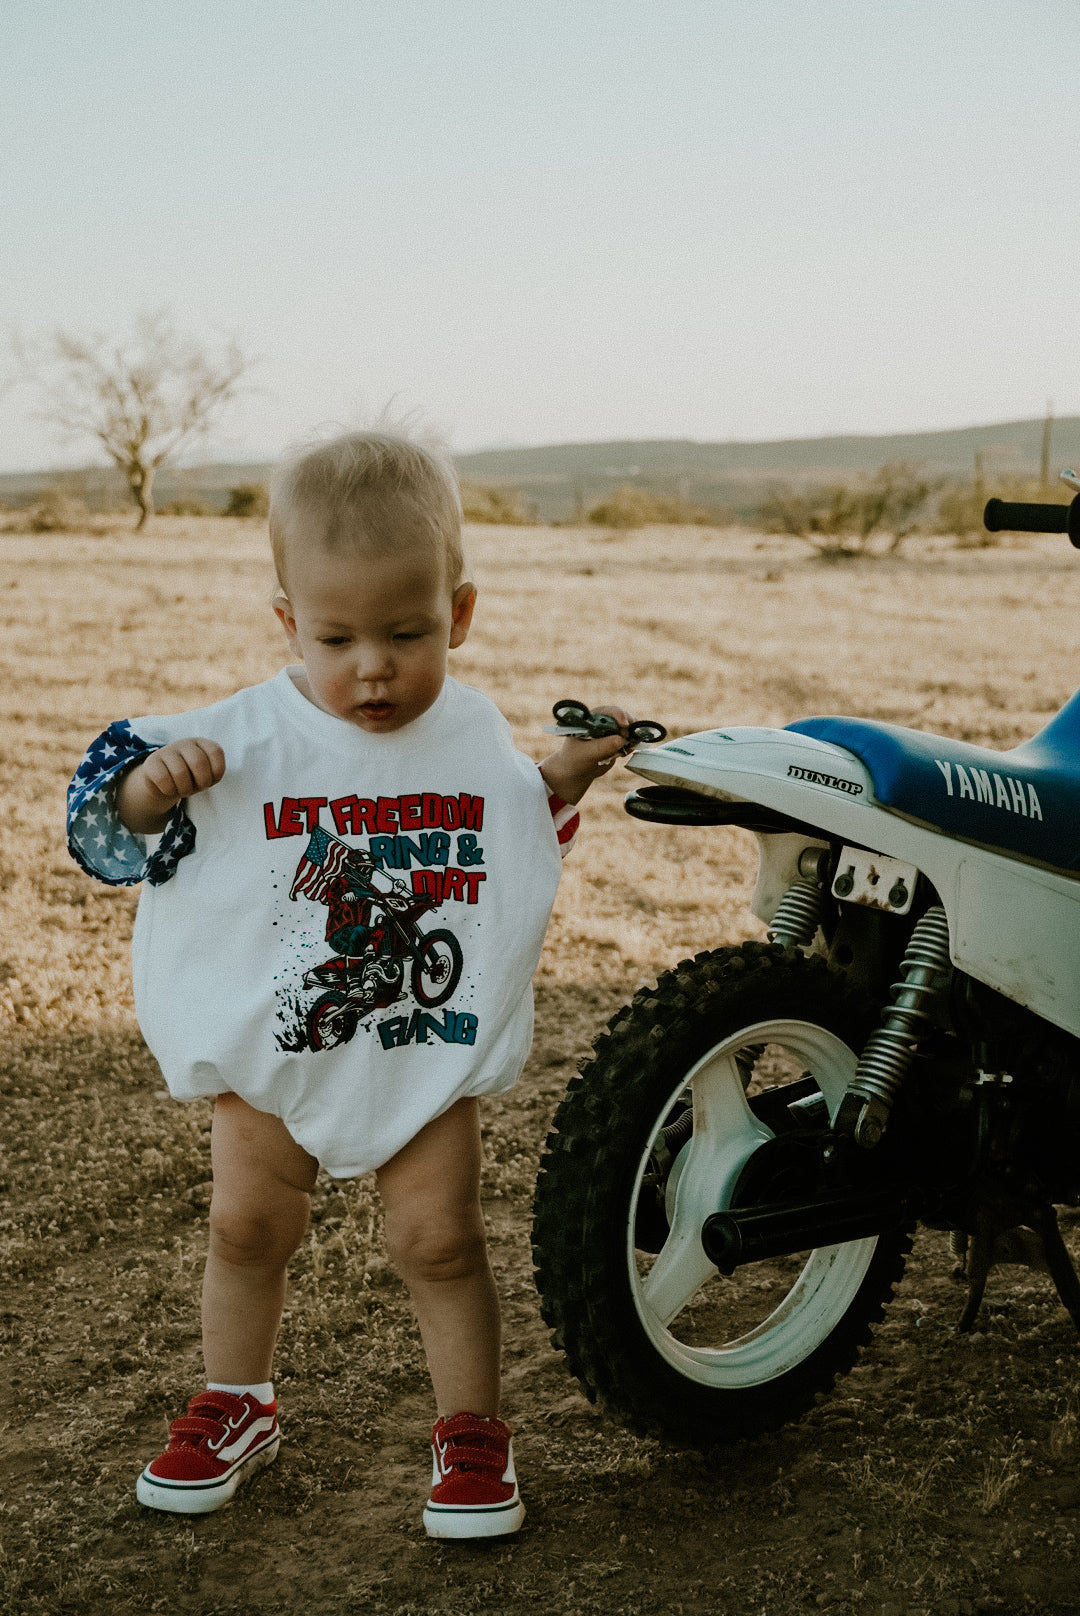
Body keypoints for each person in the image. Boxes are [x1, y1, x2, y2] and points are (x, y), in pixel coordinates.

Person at [66, 428, 630, 1539]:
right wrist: (147, 791)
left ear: (458, 614)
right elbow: (104, 819)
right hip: (279, 1036)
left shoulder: (468, 732)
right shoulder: (246, 736)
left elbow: (507, 830)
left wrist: (558, 779)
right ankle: (238, 1400)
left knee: (441, 1240)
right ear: (289, 622)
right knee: (244, 1225)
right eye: (337, 637)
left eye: (405, 633)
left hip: (417, 1041)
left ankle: (471, 1428)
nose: (373, 665)